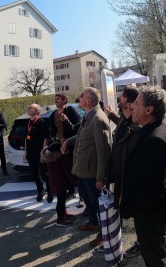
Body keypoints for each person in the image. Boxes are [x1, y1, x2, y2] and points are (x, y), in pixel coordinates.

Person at [120, 86, 166, 266]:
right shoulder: (164, 128)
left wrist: (134, 210)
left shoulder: (155, 139)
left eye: (136, 103)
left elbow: (154, 190)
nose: (132, 107)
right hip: (162, 210)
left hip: (152, 216)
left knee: (154, 258)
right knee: (160, 250)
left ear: (149, 110)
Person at [61, 87, 112, 248]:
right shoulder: (90, 115)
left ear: (89, 101)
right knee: (85, 196)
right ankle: (93, 222)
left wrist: (100, 177)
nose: (79, 97)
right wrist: (68, 141)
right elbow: (83, 135)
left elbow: (104, 151)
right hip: (83, 169)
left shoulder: (98, 119)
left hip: (92, 172)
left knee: (97, 204)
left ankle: (105, 234)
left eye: (81, 95)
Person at [104, 85, 143, 259]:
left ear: (129, 101)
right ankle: (114, 243)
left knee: (138, 213)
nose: (119, 98)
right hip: (120, 176)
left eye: (121, 96)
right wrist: (110, 113)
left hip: (131, 179)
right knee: (123, 210)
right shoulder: (125, 119)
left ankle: (142, 243)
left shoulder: (138, 125)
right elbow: (120, 121)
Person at [48, 93, 81, 225]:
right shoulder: (52, 115)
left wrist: (66, 121)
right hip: (59, 149)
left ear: (64, 100)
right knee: (63, 181)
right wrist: (57, 140)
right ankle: (61, 213)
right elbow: (51, 131)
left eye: (58, 99)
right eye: (55, 99)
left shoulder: (70, 110)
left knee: (70, 178)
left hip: (71, 147)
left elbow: (78, 127)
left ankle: (65, 210)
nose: (56, 101)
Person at [25, 104, 52, 202]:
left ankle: (50, 192)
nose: (29, 109)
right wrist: (25, 152)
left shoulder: (42, 122)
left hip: (39, 153)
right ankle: (40, 191)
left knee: (45, 174)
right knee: (35, 174)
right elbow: (26, 138)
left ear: (36, 111)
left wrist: (43, 151)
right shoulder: (27, 122)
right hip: (30, 153)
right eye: (29, 107)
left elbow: (46, 138)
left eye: (31, 108)